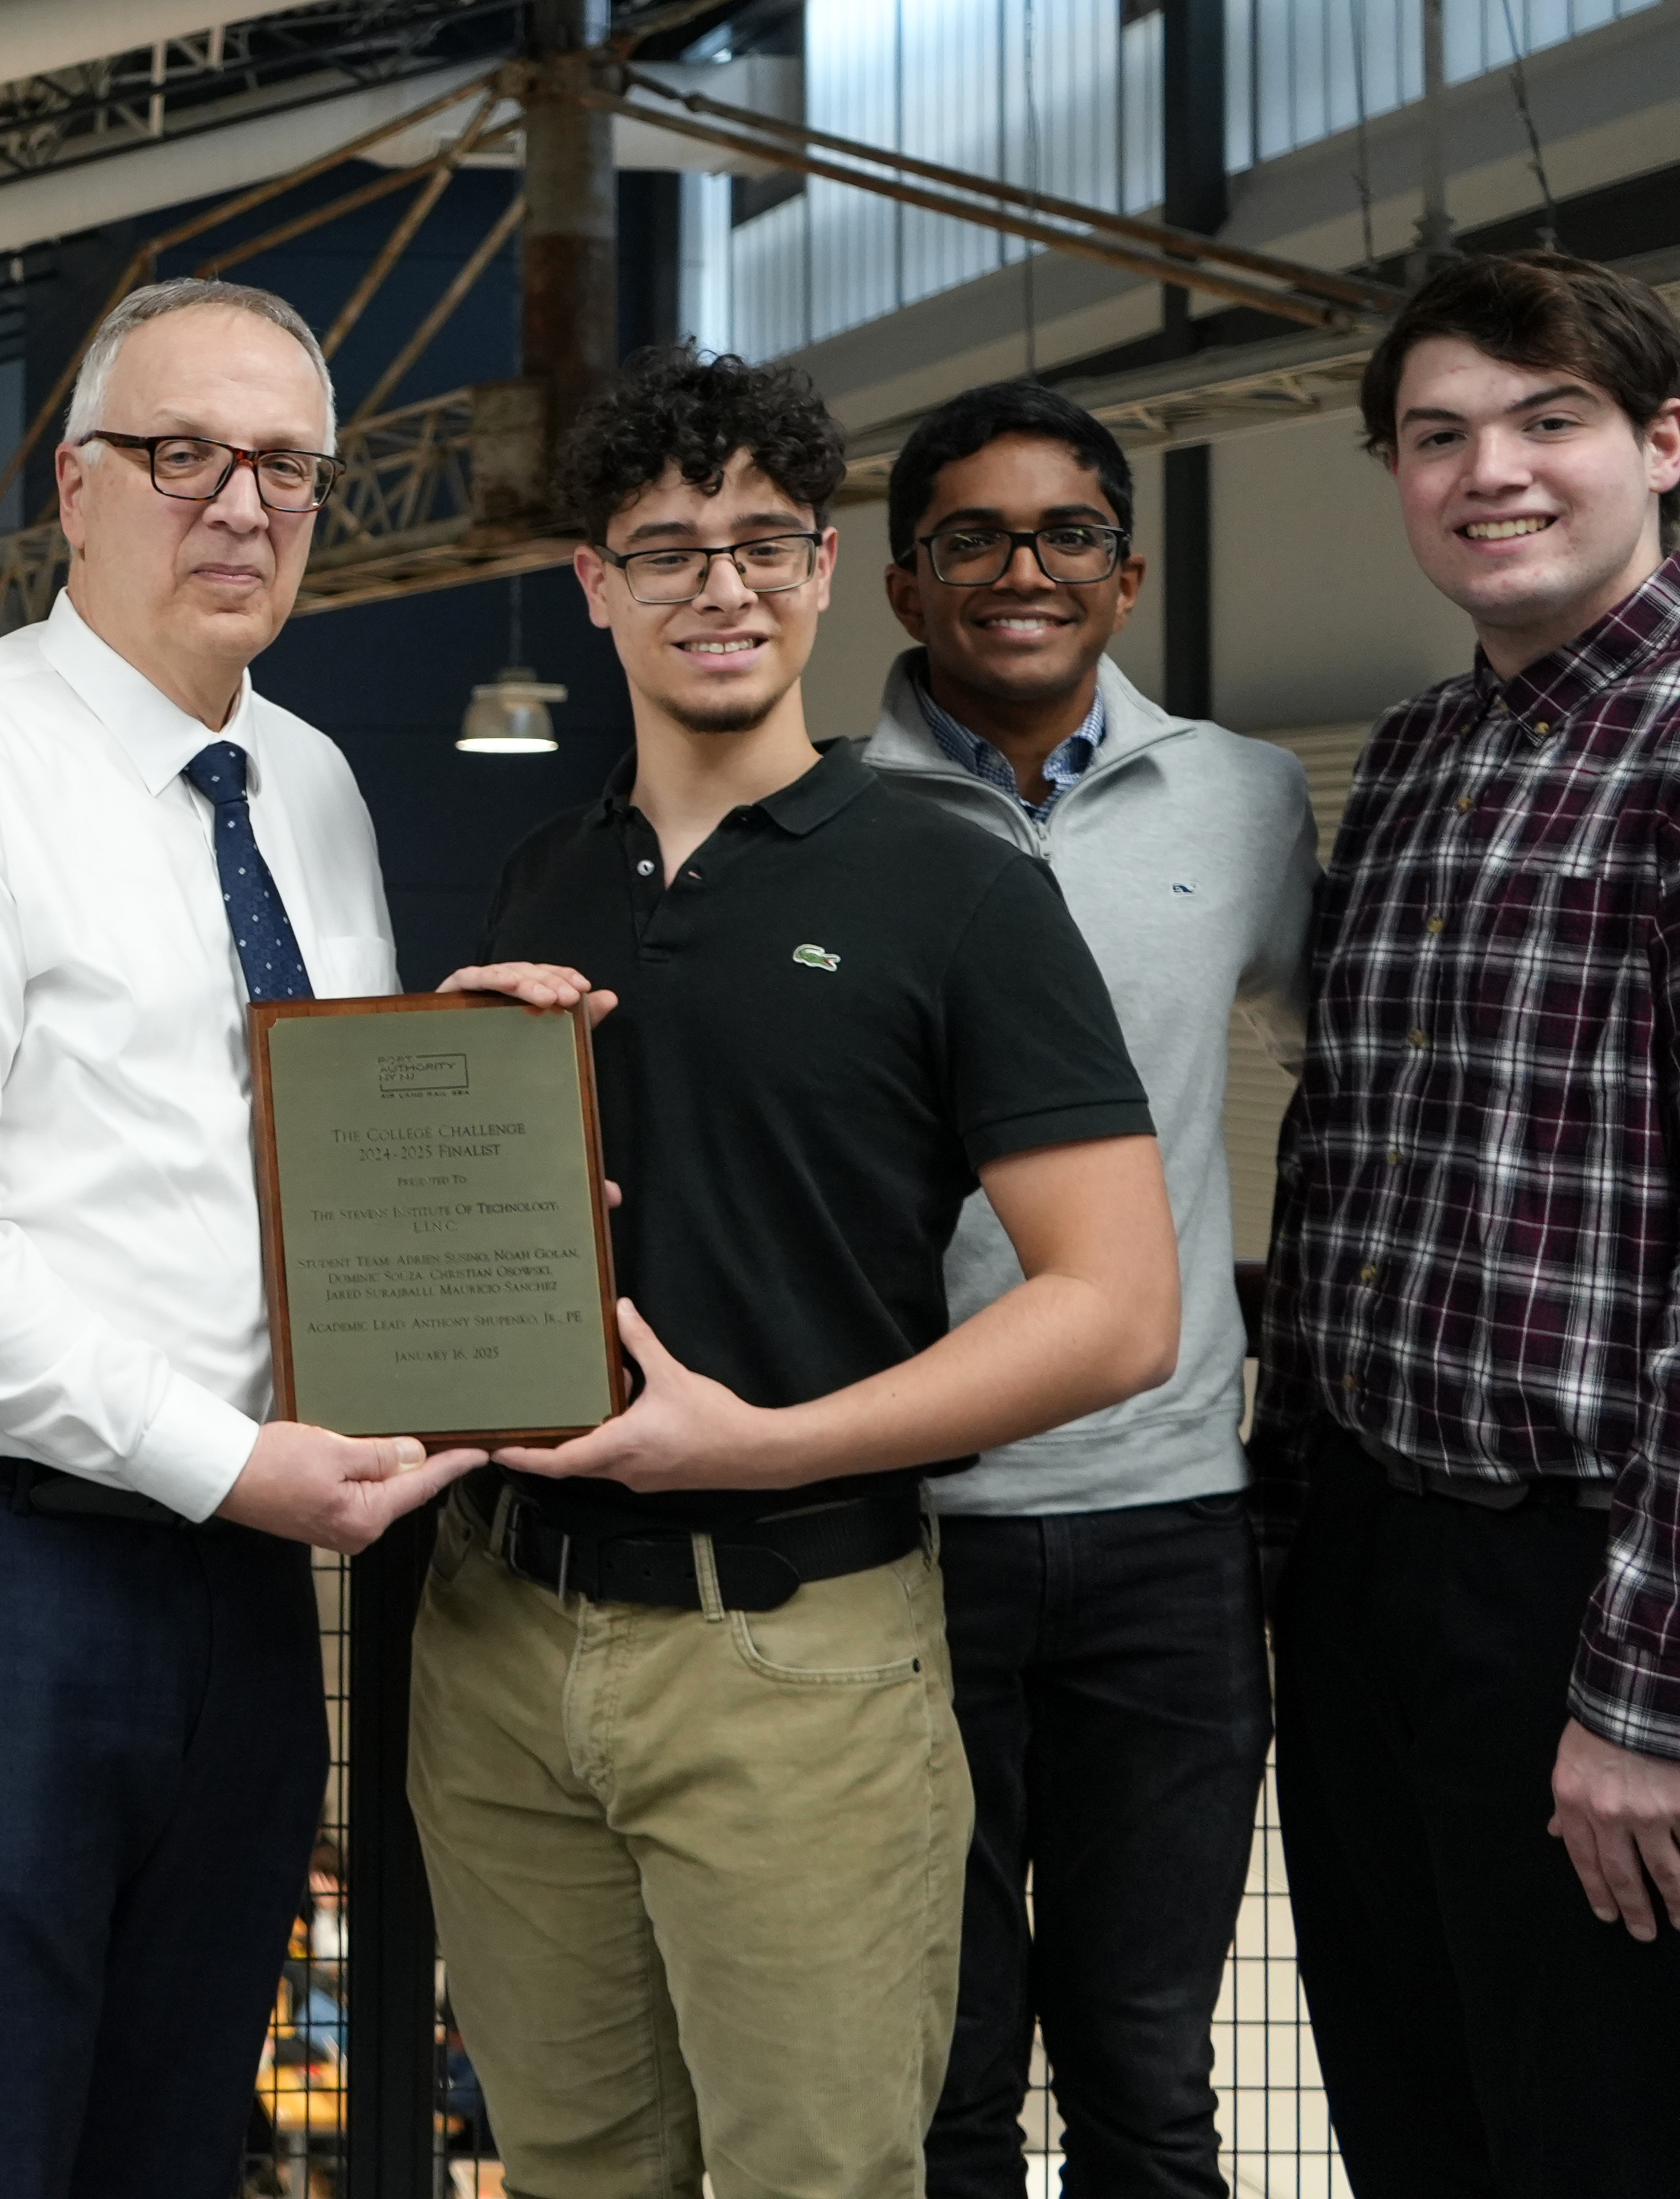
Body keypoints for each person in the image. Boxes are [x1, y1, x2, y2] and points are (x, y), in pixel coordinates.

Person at [0, 278, 523, 2198]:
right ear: (74, 486)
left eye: (284, 464)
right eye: (181, 453)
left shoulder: (314, 791)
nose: (238, 504)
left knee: (173, 2138)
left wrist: (497, 1125)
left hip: (240, 1580)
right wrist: (230, 1459)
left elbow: (306, 1151)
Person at [416, 344, 1181, 2199]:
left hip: (791, 1646)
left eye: (765, 542)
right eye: (666, 548)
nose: (723, 587)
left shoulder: (957, 882)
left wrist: (757, 1443)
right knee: (575, 2170)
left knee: (816, 2179)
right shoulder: (533, 880)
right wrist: (436, 1078)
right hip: (498, 1637)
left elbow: (1116, 1303)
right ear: (592, 586)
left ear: (831, 572)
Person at [853, 381, 1319, 2199]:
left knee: (1145, 2072)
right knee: (943, 2075)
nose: (1019, 570)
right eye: (969, 536)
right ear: (901, 587)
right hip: (906, 1536)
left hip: (1166, 1535)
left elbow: (1333, 1067)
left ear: (1122, 577)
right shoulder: (825, 823)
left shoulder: (1249, 798)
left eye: (1063, 534)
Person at [1256, 247, 1680, 2195]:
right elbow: (1339, 1158)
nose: (1486, 471)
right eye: (1435, 435)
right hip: (1369, 1568)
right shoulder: (1418, 759)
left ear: (1662, 444)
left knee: (1589, 2141)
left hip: (1584, 1597)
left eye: (1545, 419)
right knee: (1406, 2126)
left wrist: (1641, 1696)